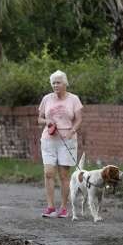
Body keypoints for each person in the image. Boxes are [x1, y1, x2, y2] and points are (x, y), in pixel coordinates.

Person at [37, 70, 83, 218]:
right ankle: (50, 207)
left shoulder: (74, 99)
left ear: (65, 83)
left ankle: (63, 208)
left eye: (58, 82)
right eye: (53, 83)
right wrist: (47, 121)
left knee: (64, 175)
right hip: (48, 140)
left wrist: (72, 131)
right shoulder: (46, 99)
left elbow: (79, 119)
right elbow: (40, 119)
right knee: (48, 172)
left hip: (67, 140)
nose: (55, 85)